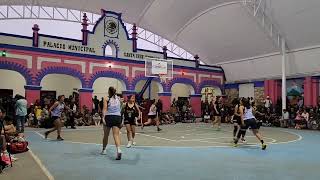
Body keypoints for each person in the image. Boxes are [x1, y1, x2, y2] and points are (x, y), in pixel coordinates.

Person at [101, 87, 122, 160]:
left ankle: (104, 150)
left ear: (109, 92)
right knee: (116, 135)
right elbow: (120, 108)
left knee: (106, 135)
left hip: (109, 117)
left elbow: (105, 108)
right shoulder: (119, 98)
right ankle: (119, 150)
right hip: (117, 117)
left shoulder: (106, 98)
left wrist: (103, 118)